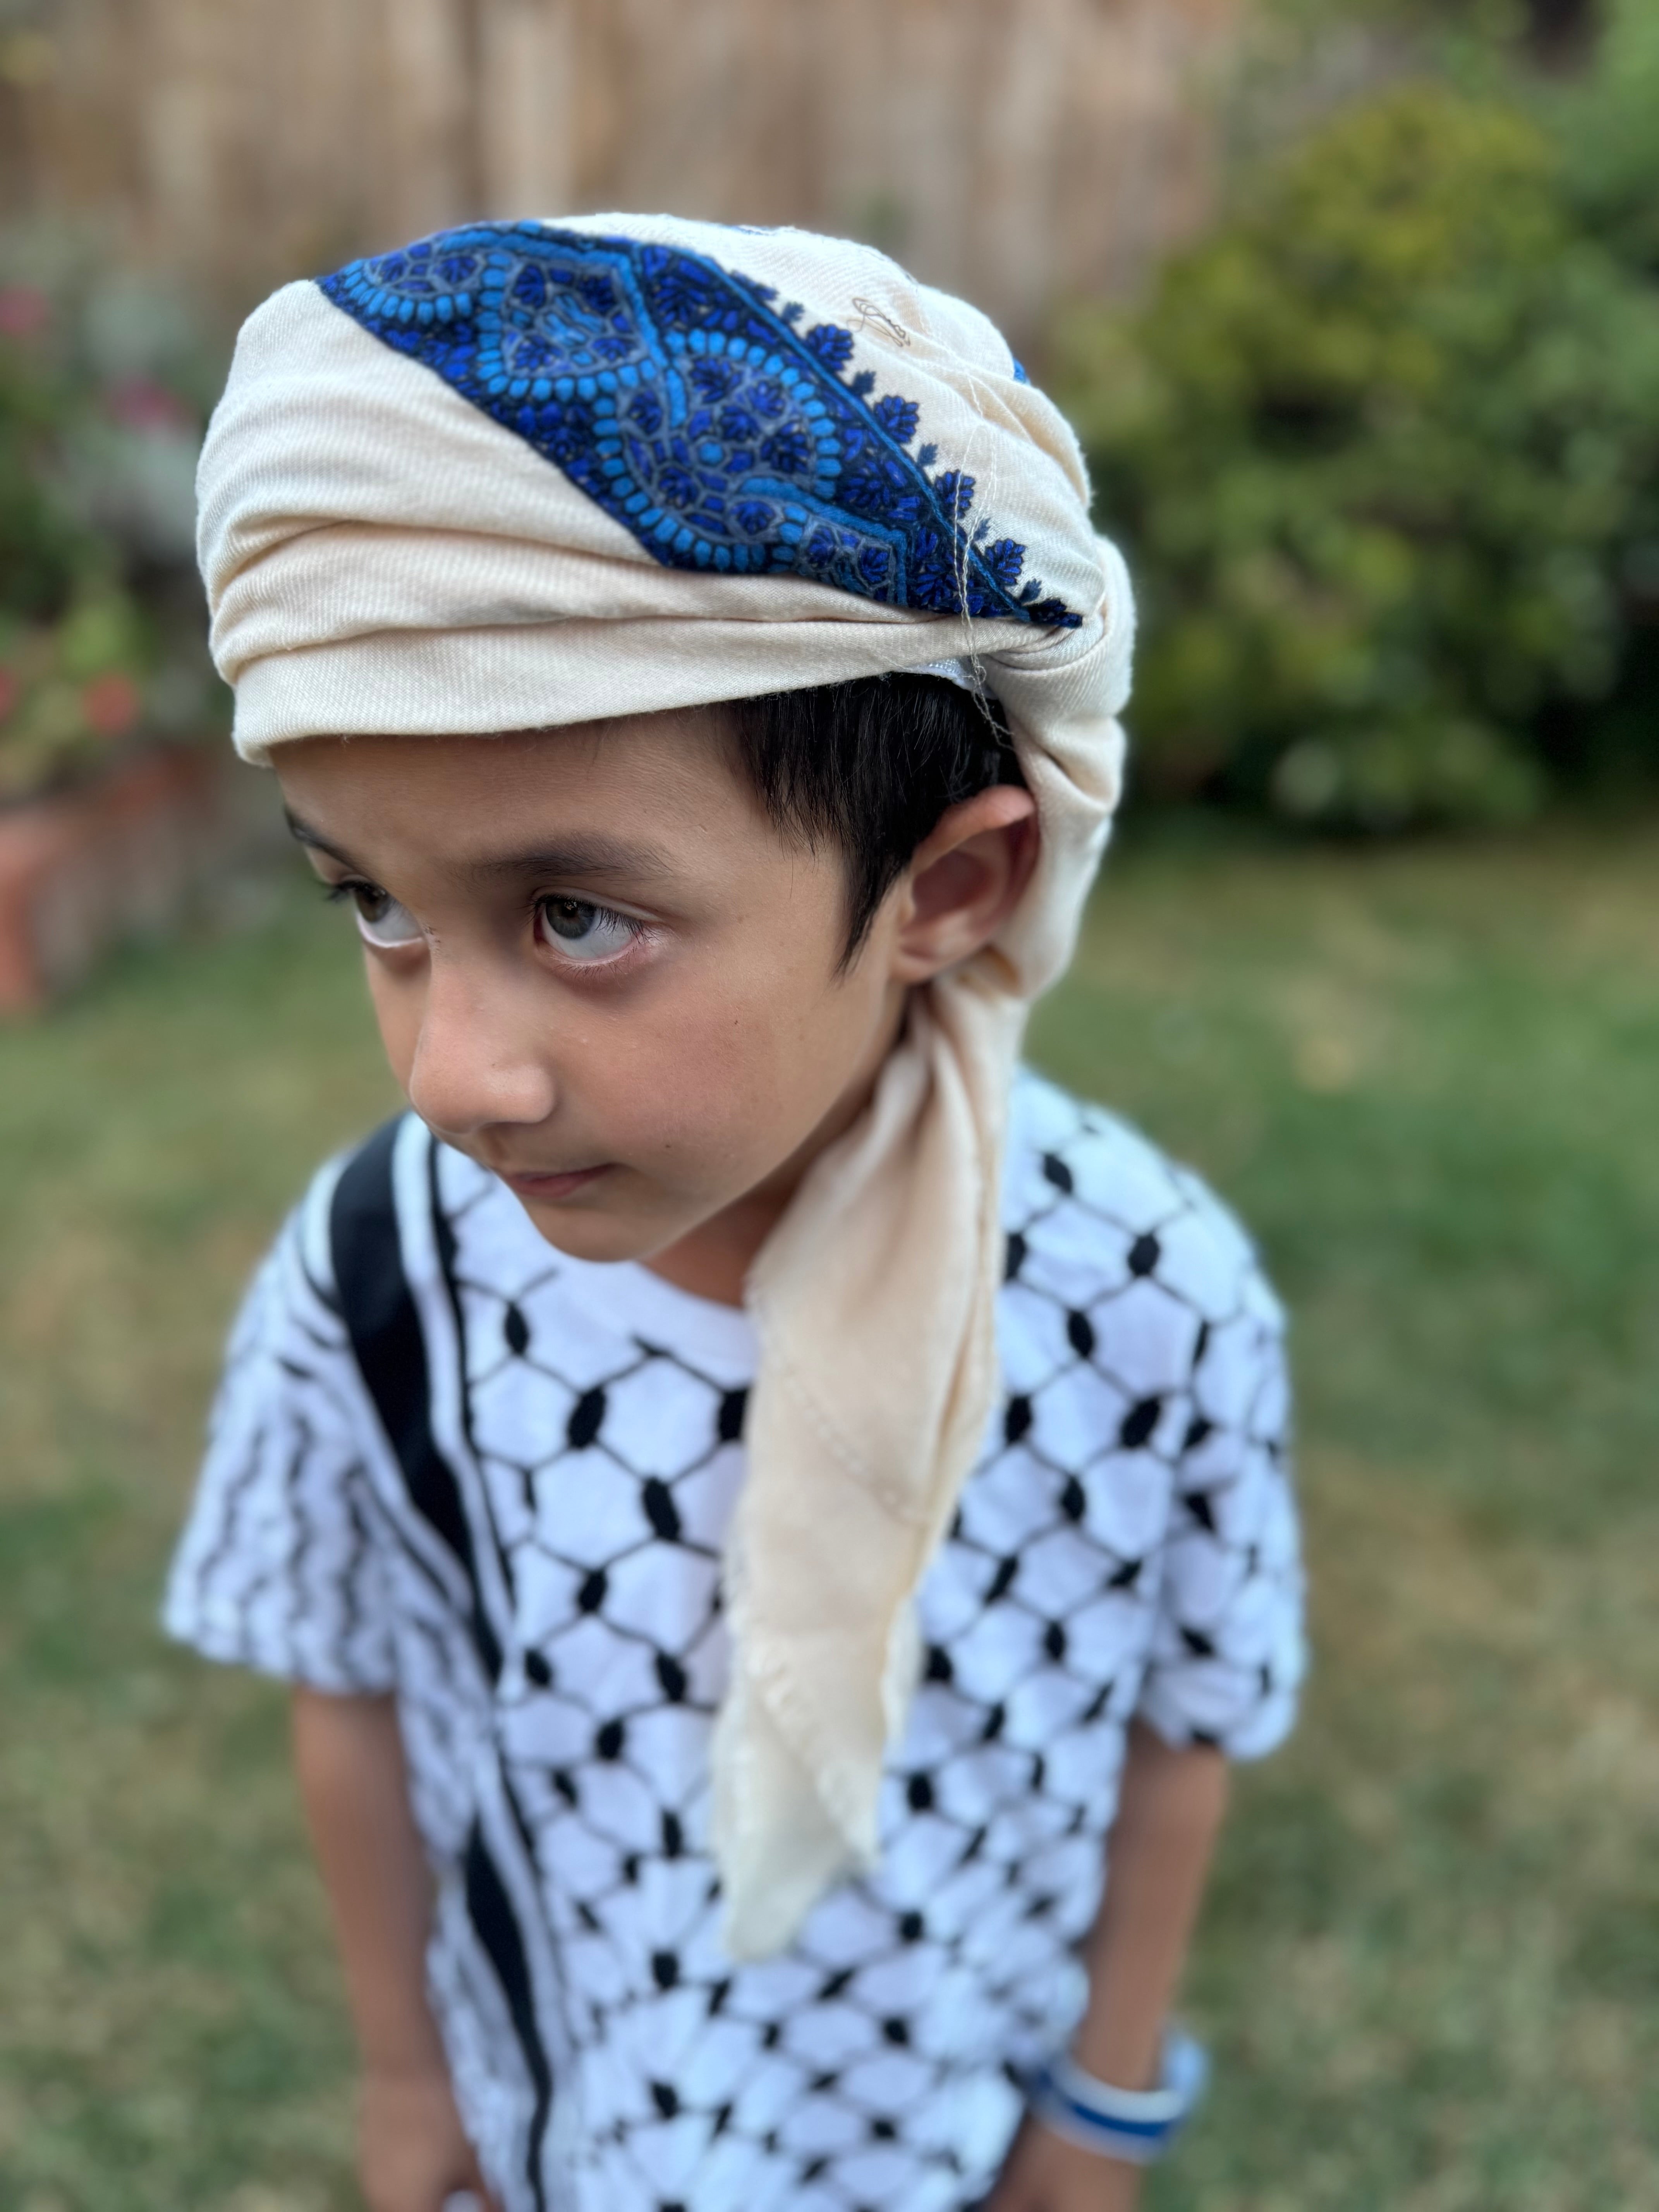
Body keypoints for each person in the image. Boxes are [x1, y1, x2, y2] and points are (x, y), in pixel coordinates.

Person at [165, 215, 1304, 2212]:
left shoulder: (1144, 1301)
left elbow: (1175, 1726)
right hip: (574, 2139)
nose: (451, 1079)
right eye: (375, 904)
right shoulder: (377, 1285)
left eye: (576, 917)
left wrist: (1102, 2107)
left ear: (944, 890)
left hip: (953, 2142)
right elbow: (352, 1697)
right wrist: (407, 2079)